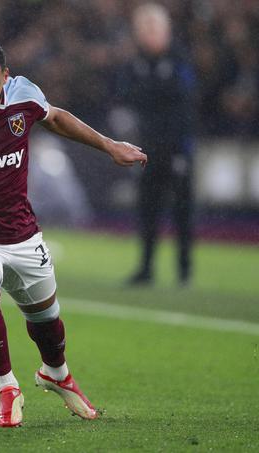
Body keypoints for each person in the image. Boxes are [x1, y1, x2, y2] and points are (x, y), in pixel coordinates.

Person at [0, 40, 147, 427]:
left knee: (47, 319)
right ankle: (7, 388)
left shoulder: (24, 94)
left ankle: (55, 373)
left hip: (19, 231)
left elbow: (55, 118)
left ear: (5, 77)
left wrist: (108, 146)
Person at [120, 3, 196, 287]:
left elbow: (187, 108)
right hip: (146, 149)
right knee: (147, 210)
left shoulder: (179, 59)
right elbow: (126, 100)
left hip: (177, 149)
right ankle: (146, 267)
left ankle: (184, 270)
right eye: (144, 28)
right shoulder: (134, 63)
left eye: (153, 27)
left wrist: (184, 151)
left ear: (166, 30)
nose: (149, 34)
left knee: (182, 211)